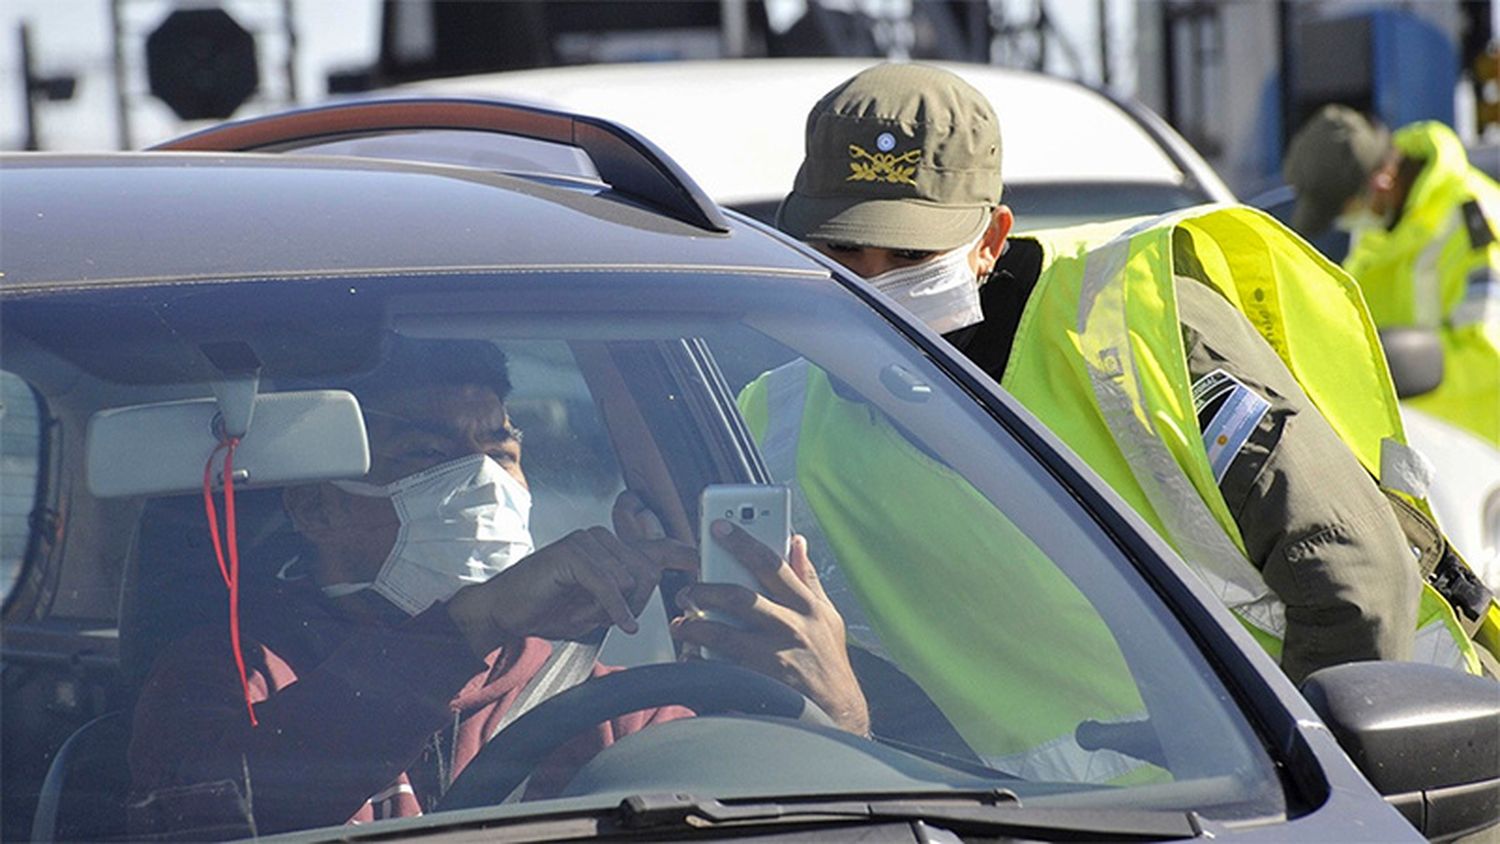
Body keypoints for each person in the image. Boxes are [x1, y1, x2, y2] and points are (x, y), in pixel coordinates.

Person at [747, 65, 1496, 776]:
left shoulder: (1138, 331)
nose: (874, 284)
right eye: (842, 251)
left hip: (1414, 781)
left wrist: (1298, 791)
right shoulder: (781, 422)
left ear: (990, 241)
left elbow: (1350, 571)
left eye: (910, 254)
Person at [127, 338, 868, 837]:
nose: (483, 480)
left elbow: (787, 825)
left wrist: (835, 718)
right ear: (316, 505)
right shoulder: (232, 676)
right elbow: (219, 819)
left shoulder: (609, 707)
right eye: (426, 454)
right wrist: (464, 628)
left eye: (500, 448)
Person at [1283, 105, 1500, 447]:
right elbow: (1348, 320)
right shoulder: (1384, 227)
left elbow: (1488, 356)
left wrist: (1392, 372)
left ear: (1380, 183)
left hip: (1483, 463)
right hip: (1423, 452)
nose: (1344, 223)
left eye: (1344, 210)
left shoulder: (1475, 226)